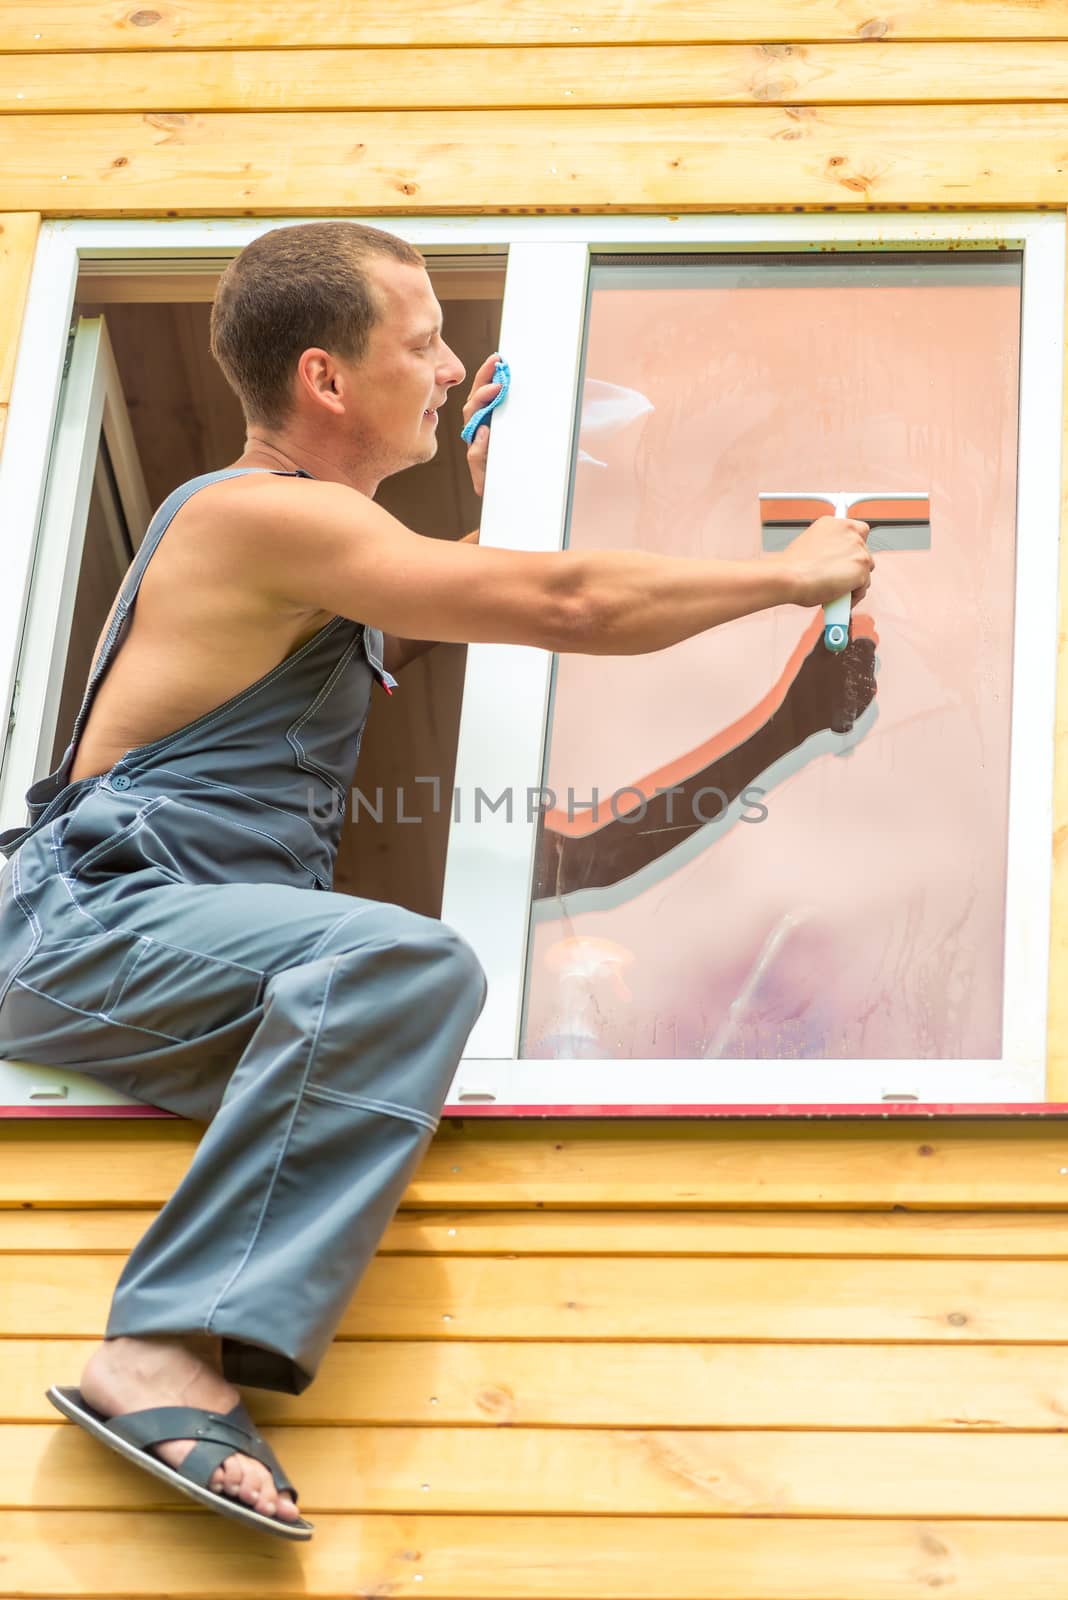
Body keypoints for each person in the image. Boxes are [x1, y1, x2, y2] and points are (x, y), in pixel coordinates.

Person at [0, 221, 873, 1539]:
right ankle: (159, 1351)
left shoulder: (323, 567)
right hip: (76, 923)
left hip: (140, 944)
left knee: (385, 996)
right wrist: (790, 575)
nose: (455, 364)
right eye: (424, 342)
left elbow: (559, 822)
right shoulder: (258, 519)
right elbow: (566, 602)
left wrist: (786, 726)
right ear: (326, 380)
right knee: (398, 963)